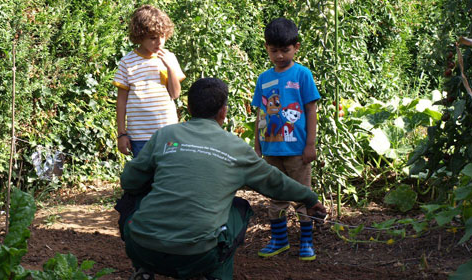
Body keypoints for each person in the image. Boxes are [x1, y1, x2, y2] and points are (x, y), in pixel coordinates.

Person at [119, 78, 326, 280]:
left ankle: (143, 270)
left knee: (131, 197)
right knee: (240, 208)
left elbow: (129, 181)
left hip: (140, 247)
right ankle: (217, 275)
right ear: (223, 112)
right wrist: (309, 198)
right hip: (197, 256)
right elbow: (275, 182)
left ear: (189, 108)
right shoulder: (236, 148)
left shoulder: (165, 135)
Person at [251, 17, 321, 261]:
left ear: (296, 47)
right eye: (274, 50)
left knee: (303, 197)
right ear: (267, 49)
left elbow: (311, 109)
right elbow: (260, 114)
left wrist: (310, 144)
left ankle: (306, 243)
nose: (279, 55)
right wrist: (257, 147)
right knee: (276, 198)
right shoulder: (263, 79)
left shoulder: (302, 74)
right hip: (271, 150)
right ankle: (279, 241)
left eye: (285, 50)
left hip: (297, 150)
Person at [113, 5, 185, 157]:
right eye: (153, 38)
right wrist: (121, 134)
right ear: (140, 36)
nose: (159, 42)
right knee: (145, 177)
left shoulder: (169, 58)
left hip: (168, 132)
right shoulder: (127, 62)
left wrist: (170, 68)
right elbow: (121, 102)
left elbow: (175, 94)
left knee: (169, 175)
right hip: (139, 136)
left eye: (163, 36)